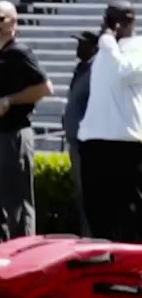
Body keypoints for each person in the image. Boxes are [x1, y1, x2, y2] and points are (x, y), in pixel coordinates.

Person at [0, 1, 53, 248]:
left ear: (13, 22)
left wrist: (10, 100)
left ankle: (23, 254)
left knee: (17, 201)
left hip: (13, 133)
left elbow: (45, 88)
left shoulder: (20, 53)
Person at [76, 1, 142, 243]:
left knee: (130, 213)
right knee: (97, 212)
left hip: (126, 142)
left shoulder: (135, 48)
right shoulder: (106, 50)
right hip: (95, 139)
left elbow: (124, 72)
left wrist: (107, 43)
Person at [62, 31, 98, 236]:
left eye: (82, 44)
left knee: (88, 193)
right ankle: (86, 235)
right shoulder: (81, 68)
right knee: (81, 193)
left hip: (87, 141)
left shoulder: (95, 70)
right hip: (75, 139)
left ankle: (91, 236)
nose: (78, 48)